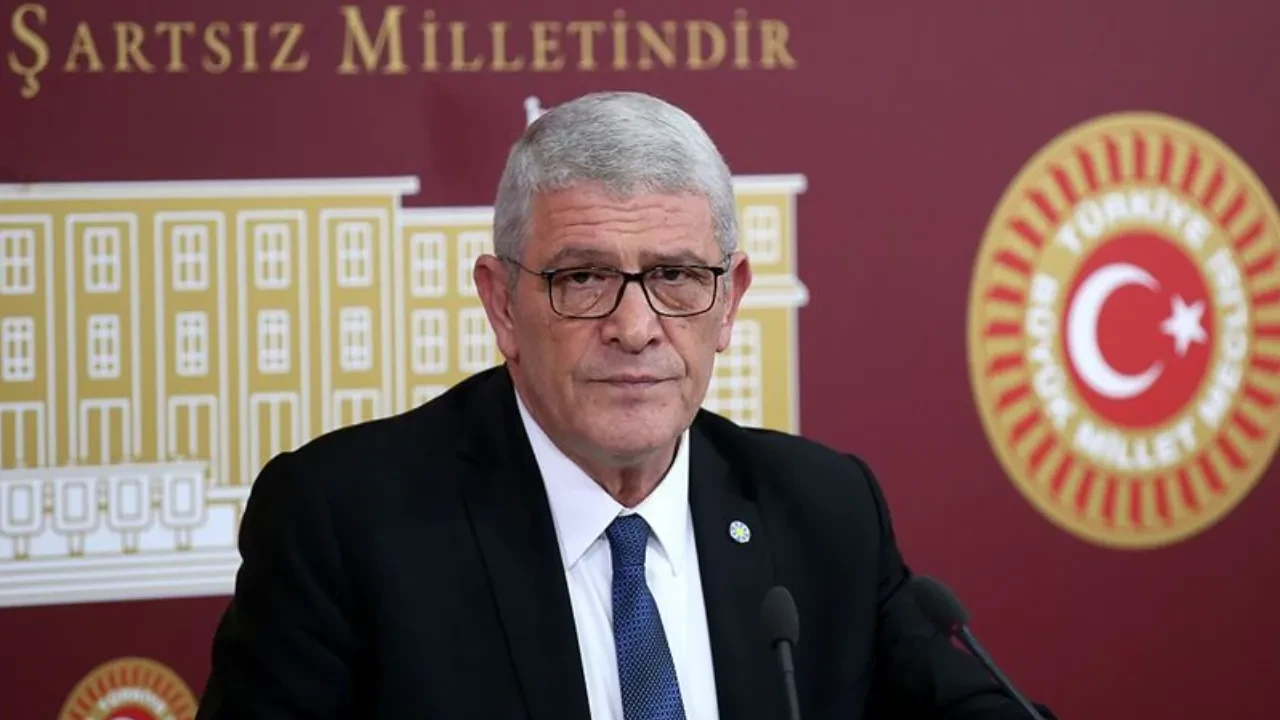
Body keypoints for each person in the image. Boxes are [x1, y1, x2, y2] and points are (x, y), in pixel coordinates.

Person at [195, 91, 1055, 719]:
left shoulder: (822, 510)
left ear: (729, 302)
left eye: (676, 275)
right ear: (502, 305)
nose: (636, 328)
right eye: (583, 278)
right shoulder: (343, 524)